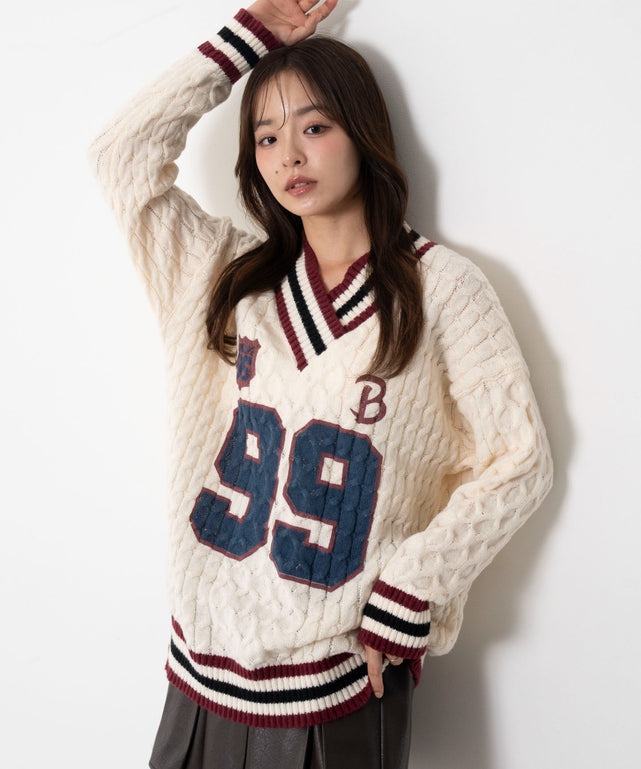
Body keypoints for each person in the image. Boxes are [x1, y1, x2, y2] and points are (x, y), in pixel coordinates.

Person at [89, 1, 553, 767]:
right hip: (201, 672)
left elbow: (519, 457)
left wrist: (409, 591)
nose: (288, 156)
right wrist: (250, 37)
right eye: (266, 137)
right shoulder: (218, 274)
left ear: (361, 132)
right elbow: (120, 155)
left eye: (314, 126)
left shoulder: (442, 287)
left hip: (337, 681)